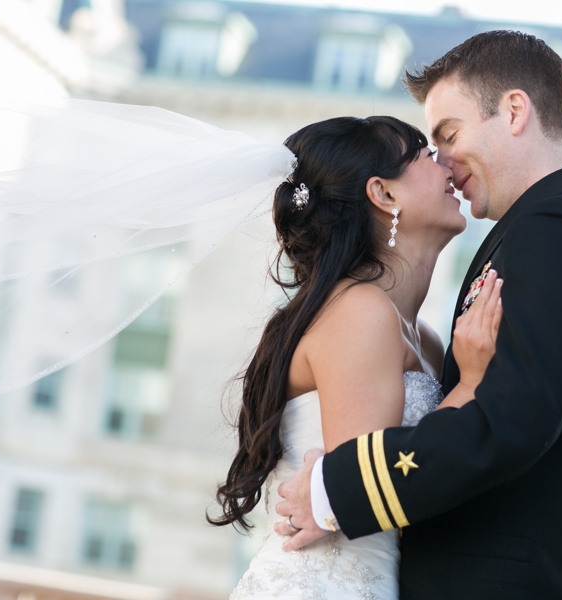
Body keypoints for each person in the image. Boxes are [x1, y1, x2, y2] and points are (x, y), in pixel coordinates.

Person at [274, 31, 562, 599]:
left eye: (448, 135)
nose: (442, 162)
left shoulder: (561, 231)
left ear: (515, 110)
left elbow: (509, 421)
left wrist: (332, 488)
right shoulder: (542, 229)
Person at [208, 115, 504, 598]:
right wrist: (471, 386)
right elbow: (362, 489)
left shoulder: (424, 338)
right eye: (426, 156)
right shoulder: (359, 312)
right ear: (384, 195)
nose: (448, 165)